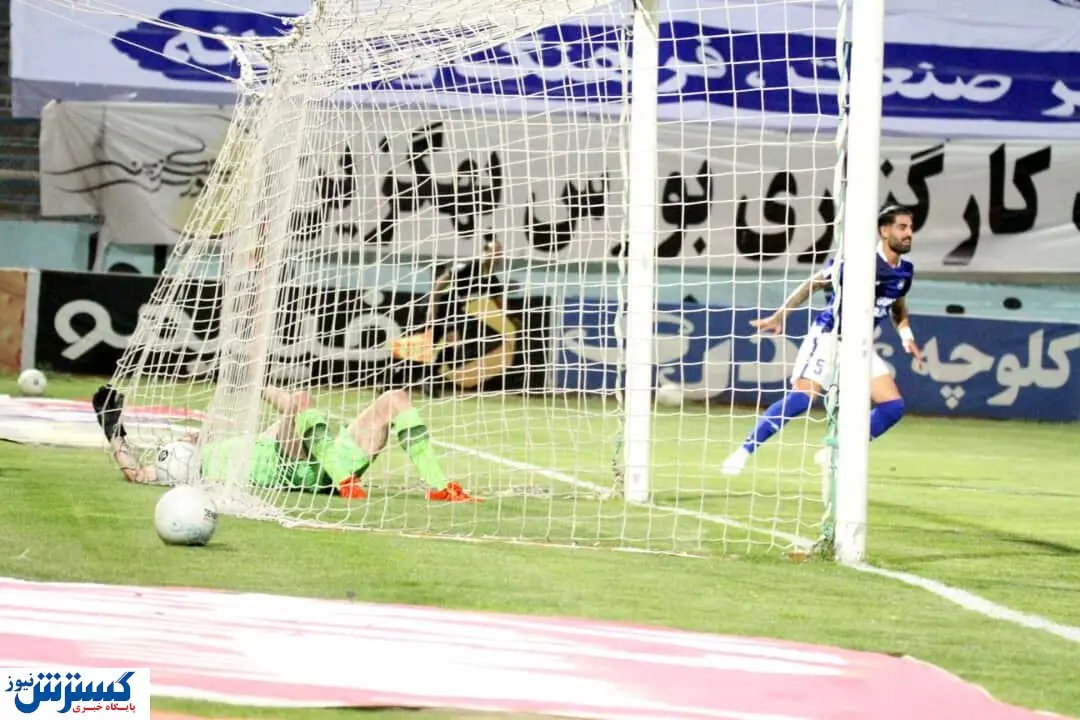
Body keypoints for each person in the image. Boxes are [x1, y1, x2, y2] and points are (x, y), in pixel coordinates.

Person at [721, 204, 923, 477]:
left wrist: (906, 336)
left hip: (860, 346)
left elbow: (897, 305)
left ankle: (834, 452)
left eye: (910, 228)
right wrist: (780, 316)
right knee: (801, 399)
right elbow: (814, 283)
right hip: (830, 337)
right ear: (884, 231)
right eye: (902, 227)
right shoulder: (858, 261)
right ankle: (744, 451)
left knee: (893, 407)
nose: (909, 233)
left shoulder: (904, 271)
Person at [91, 383, 476, 502]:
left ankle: (440, 487)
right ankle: (343, 480)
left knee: (395, 400)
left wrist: (258, 385)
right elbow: (136, 472)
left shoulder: (226, 444)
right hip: (289, 465)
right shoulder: (190, 468)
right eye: (187, 437)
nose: (189, 434)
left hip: (325, 454)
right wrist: (113, 432)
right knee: (299, 404)